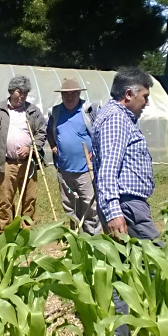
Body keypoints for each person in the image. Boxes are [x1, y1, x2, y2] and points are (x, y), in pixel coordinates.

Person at [92, 68, 158, 336]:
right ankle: (166, 334)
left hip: (128, 204)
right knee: (159, 265)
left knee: (122, 271)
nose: (146, 102)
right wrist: (114, 211)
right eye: (144, 95)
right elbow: (107, 170)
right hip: (127, 206)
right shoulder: (116, 121)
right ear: (129, 94)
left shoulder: (117, 118)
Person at [0, 76, 47, 230]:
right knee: (5, 197)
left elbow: (41, 133)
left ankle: (26, 228)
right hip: (7, 162)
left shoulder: (32, 111)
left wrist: (31, 147)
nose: (22, 96)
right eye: (19, 92)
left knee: (29, 197)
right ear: (11, 91)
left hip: (28, 163)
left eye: (25, 93)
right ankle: (6, 228)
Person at [46, 78, 101, 235]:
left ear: (79, 94)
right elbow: (49, 131)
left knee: (90, 205)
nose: (69, 98)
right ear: (62, 96)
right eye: (66, 95)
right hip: (64, 170)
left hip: (86, 170)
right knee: (70, 205)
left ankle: (93, 239)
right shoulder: (56, 112)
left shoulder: (88, 111)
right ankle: (75, 236)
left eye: (73, 94)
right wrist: (53, 145)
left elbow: (101, 134)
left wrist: (96, 151)